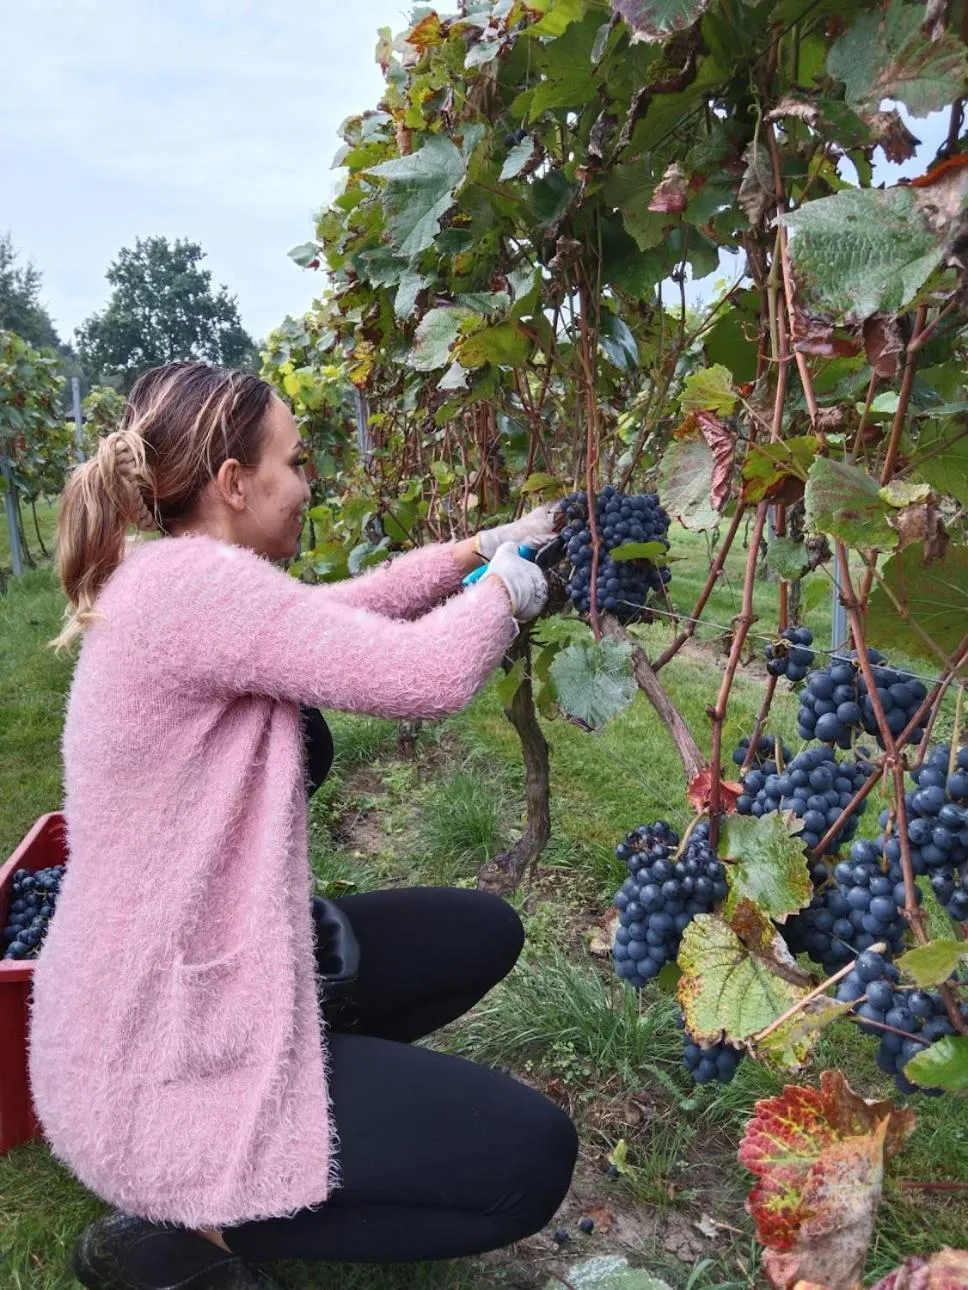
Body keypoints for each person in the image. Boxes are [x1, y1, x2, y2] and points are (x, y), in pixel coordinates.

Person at [27, 361, 578, 1290]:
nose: (308, 481)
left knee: (476, 930)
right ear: (234, 483)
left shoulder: (178, 582)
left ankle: (301, 1095)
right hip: (149, 1060)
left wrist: (467, 554)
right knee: (529, 1163)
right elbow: (424, 679)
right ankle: (189, 1234)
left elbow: (331, 614)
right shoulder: (191, 590)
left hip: (179, 985)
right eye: (295, 461)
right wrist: (504, 595)